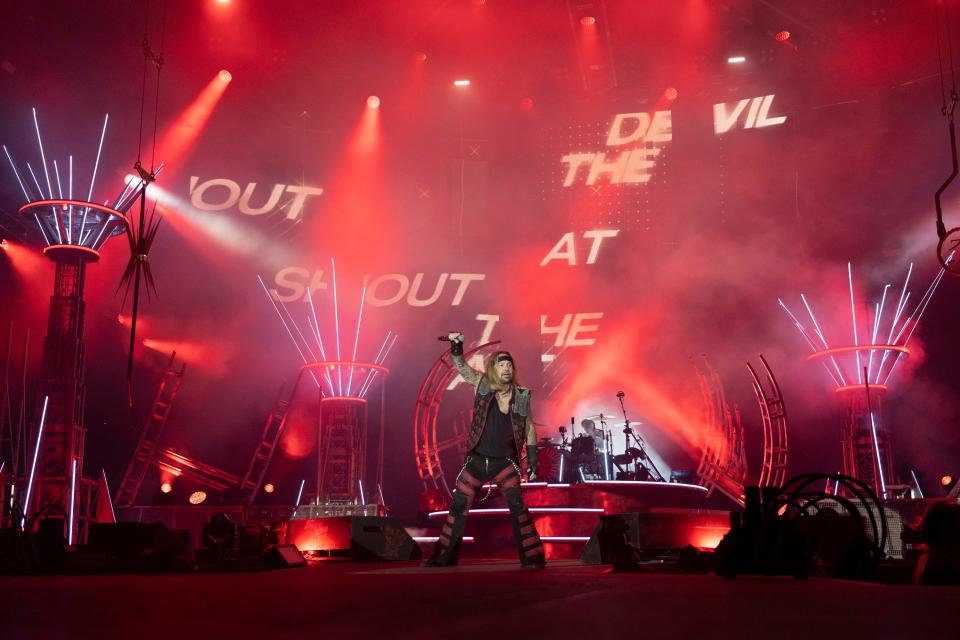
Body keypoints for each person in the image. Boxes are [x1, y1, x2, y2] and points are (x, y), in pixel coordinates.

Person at [424, 333, 546, 569]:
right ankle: (443, 559)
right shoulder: (481, 385)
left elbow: (529, 427)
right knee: (458, 507)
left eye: (509, 364)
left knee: (518, 508)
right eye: (501, 365)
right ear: (493, 369)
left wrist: (532, 460)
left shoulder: (521, 396)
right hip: (478, 461)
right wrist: (457, 346)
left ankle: (533, 559)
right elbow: (462, 368)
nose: (507, 368)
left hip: (505, 463)